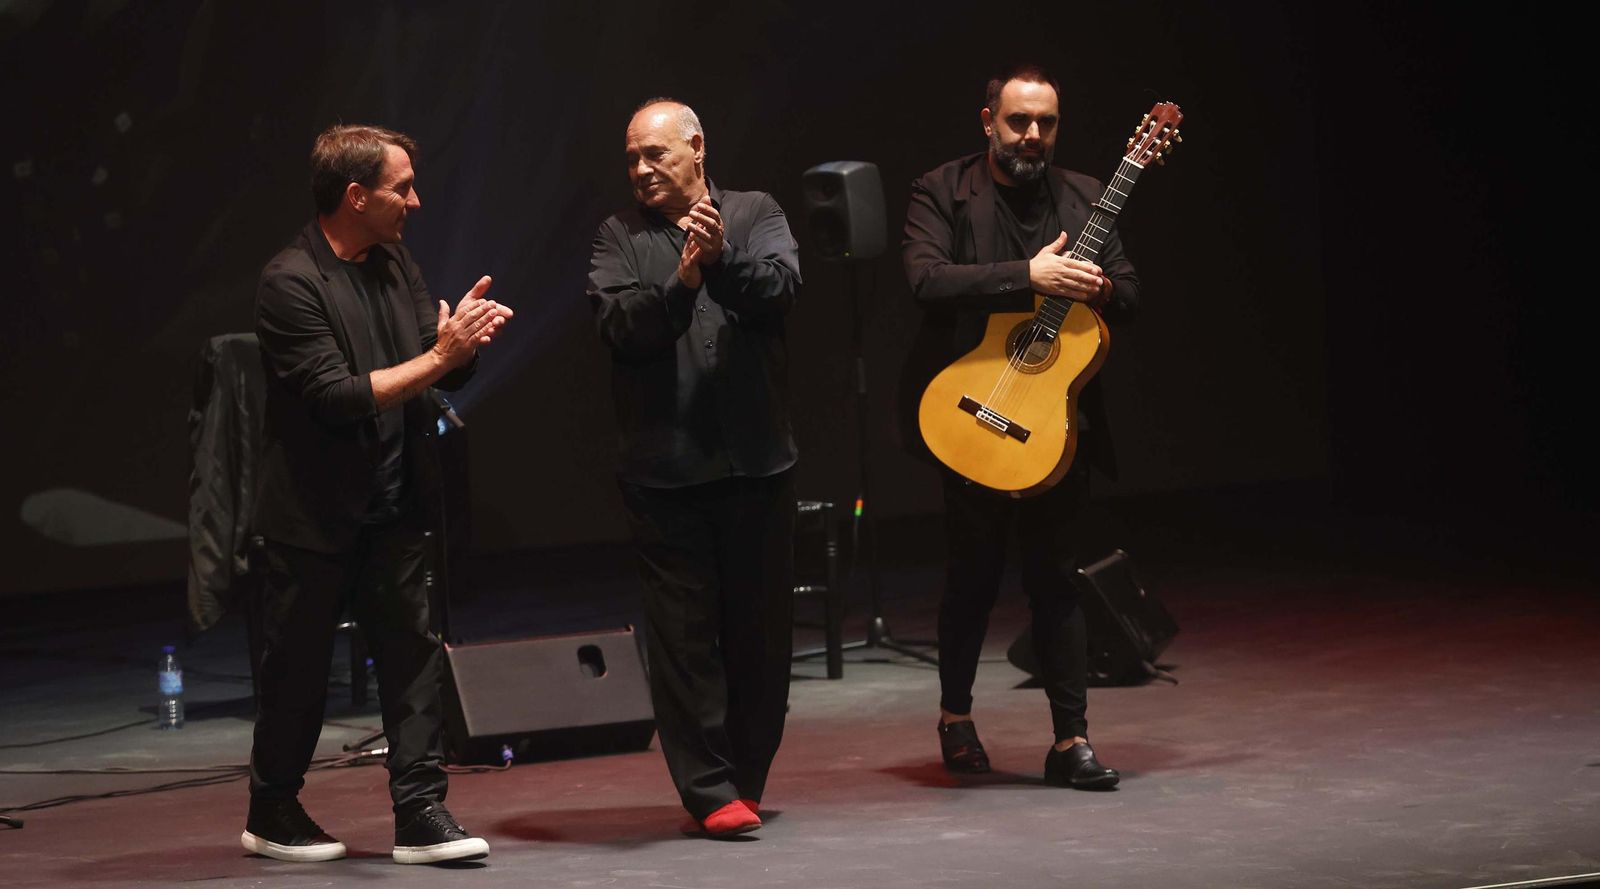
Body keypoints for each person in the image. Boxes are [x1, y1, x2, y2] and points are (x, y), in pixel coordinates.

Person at [245, 123, 511, 864]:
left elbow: (428, 370)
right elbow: (336, 396)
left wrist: (461, 349)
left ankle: (420, 808)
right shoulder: (289, 281)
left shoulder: (394, 262)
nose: (415, 202)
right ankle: (273, 810)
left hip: (397, 500)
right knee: (297, 670)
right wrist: (439, 355)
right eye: (402, 188)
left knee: (411, 656)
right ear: (356, 195)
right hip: (314, 513)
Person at [900, 64, 1139, 788]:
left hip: (1056, 428)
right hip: (972, 411)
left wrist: (1095, 285)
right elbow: (925, 278)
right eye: (1018, 121)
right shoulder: (940, 190)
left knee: (1056, 582)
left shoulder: (1087, 196)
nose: (1032, 135)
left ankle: (1071, 739)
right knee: (970, 580)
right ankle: (955, 718)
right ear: (988, 121)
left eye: (1046, 123)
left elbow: (1128, 290)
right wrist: (1025, 276)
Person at [586, 99, 801, 837]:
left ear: (697, 147)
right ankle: (708, 788)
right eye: (633, 159)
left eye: (655, 154)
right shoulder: (618, 235)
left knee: (762, 638)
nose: (641, 169)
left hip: (758, 464)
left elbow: (779, 289)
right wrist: (682, 281)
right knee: (683, 641)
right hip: (665, 474)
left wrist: (720, 259)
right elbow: (619, 325)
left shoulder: (757, 211)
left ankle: (743, 776)